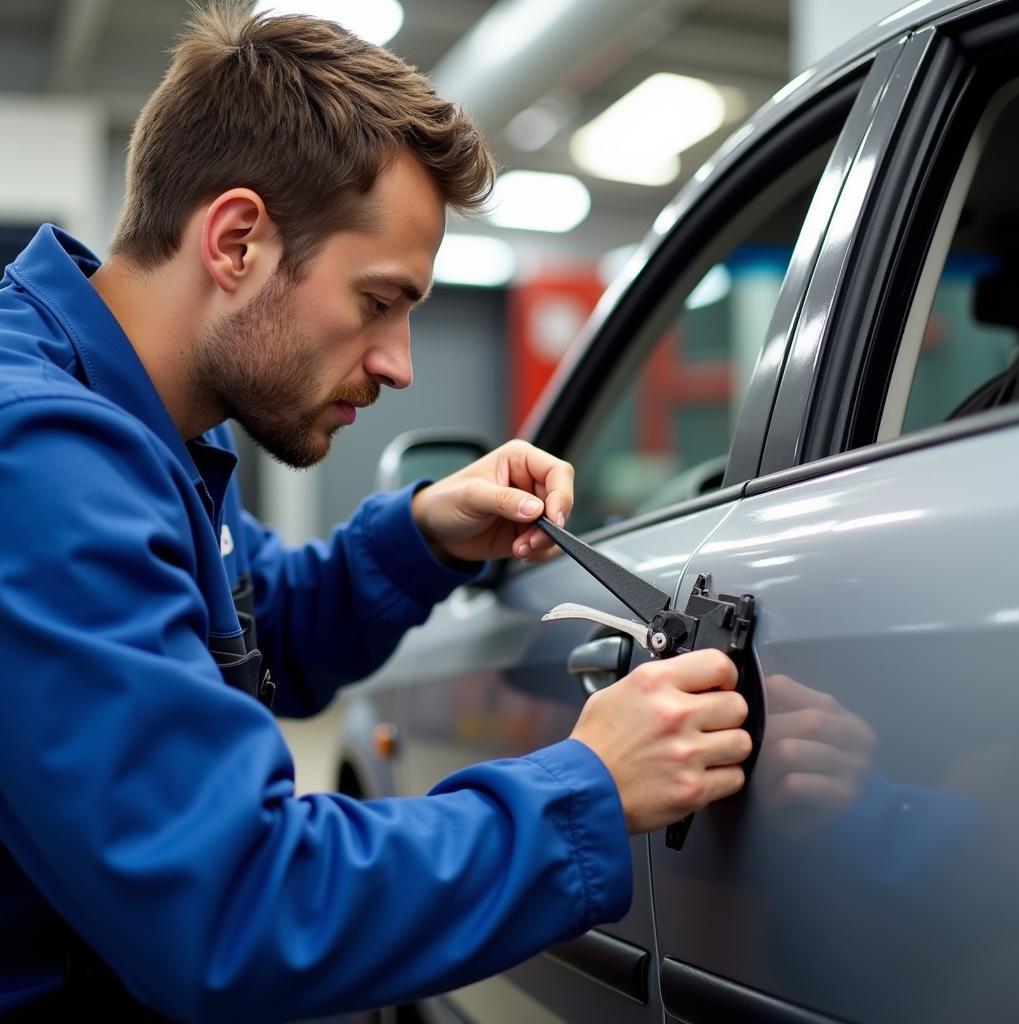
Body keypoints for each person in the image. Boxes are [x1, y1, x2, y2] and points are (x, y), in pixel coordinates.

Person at [0, 4, 751, 1020]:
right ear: (236, 242)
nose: (398, 364)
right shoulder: (39, 460)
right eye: (378, 301)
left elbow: (258, 628)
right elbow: (235, 909)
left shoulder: (152, 430)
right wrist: (588, 788)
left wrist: (422, 532)